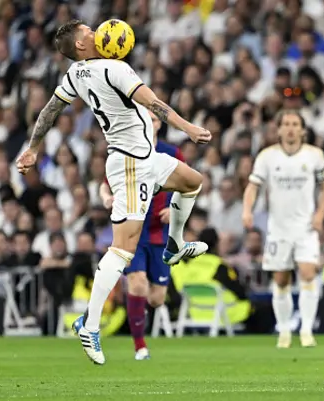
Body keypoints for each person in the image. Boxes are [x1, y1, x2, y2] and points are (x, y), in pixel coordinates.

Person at [15, 20, 211, 365]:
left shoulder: (76, 74)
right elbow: (155, 105)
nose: (99, 33)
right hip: (131, 164)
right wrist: (188, 128)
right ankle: (89, 324)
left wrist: (33, 146)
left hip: (146, 158)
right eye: (91, 33)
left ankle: (175, 244)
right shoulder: (115, 68)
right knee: (122, 249)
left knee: (192, 181)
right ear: (80, 45)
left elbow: (50, 110)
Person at [242, 109, 324, 348]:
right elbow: (253, 187)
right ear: (279, 129)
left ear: (302, 130)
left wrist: (320, 215)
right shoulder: (267, 157)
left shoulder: (315, 156)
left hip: (305, 227)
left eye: (295, 124)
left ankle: (306, 330)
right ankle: (283, 331)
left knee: (308, 273)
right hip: (278, 228)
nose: (291, 128)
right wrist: (247, 210)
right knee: (281, 279)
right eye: (286, 124)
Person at [99, 110, 184, 360]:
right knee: (137, 283)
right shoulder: (125, 150)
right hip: (132, 229)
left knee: (156, 298)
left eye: (154, 119)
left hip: (160, 233)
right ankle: (140, 346)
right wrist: (107, 198)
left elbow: (187, 186)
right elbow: (105, 183)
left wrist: (174, 208)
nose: (149, 123)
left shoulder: (171, 153)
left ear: (159, 125)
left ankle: (137, 312)